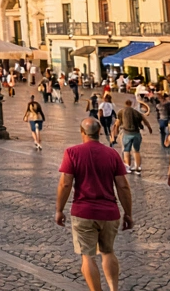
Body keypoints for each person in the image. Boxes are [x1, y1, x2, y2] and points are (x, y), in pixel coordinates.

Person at [56, 118, 133, 291]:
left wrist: (59, 210)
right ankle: (114, 288)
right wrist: (128, 213)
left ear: (82, 132)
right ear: (99, 132)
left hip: (83, 212)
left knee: (88, 256)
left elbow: (65, 184)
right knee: (108, 251)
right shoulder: (112, 154)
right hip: (109, 213)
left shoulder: (72, 152)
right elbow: (123, 186)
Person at [111, 98, 152, 175]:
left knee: (126, 150)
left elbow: (117, 123)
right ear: (131, 104)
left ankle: (128, 167)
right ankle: (138, 167)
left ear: (125, 104)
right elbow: (145, 121)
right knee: (136, 151)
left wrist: (115, 133)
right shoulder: (136, 112)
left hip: (127, 133)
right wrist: (149, 128)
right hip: (136, 133)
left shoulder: (121, 112)